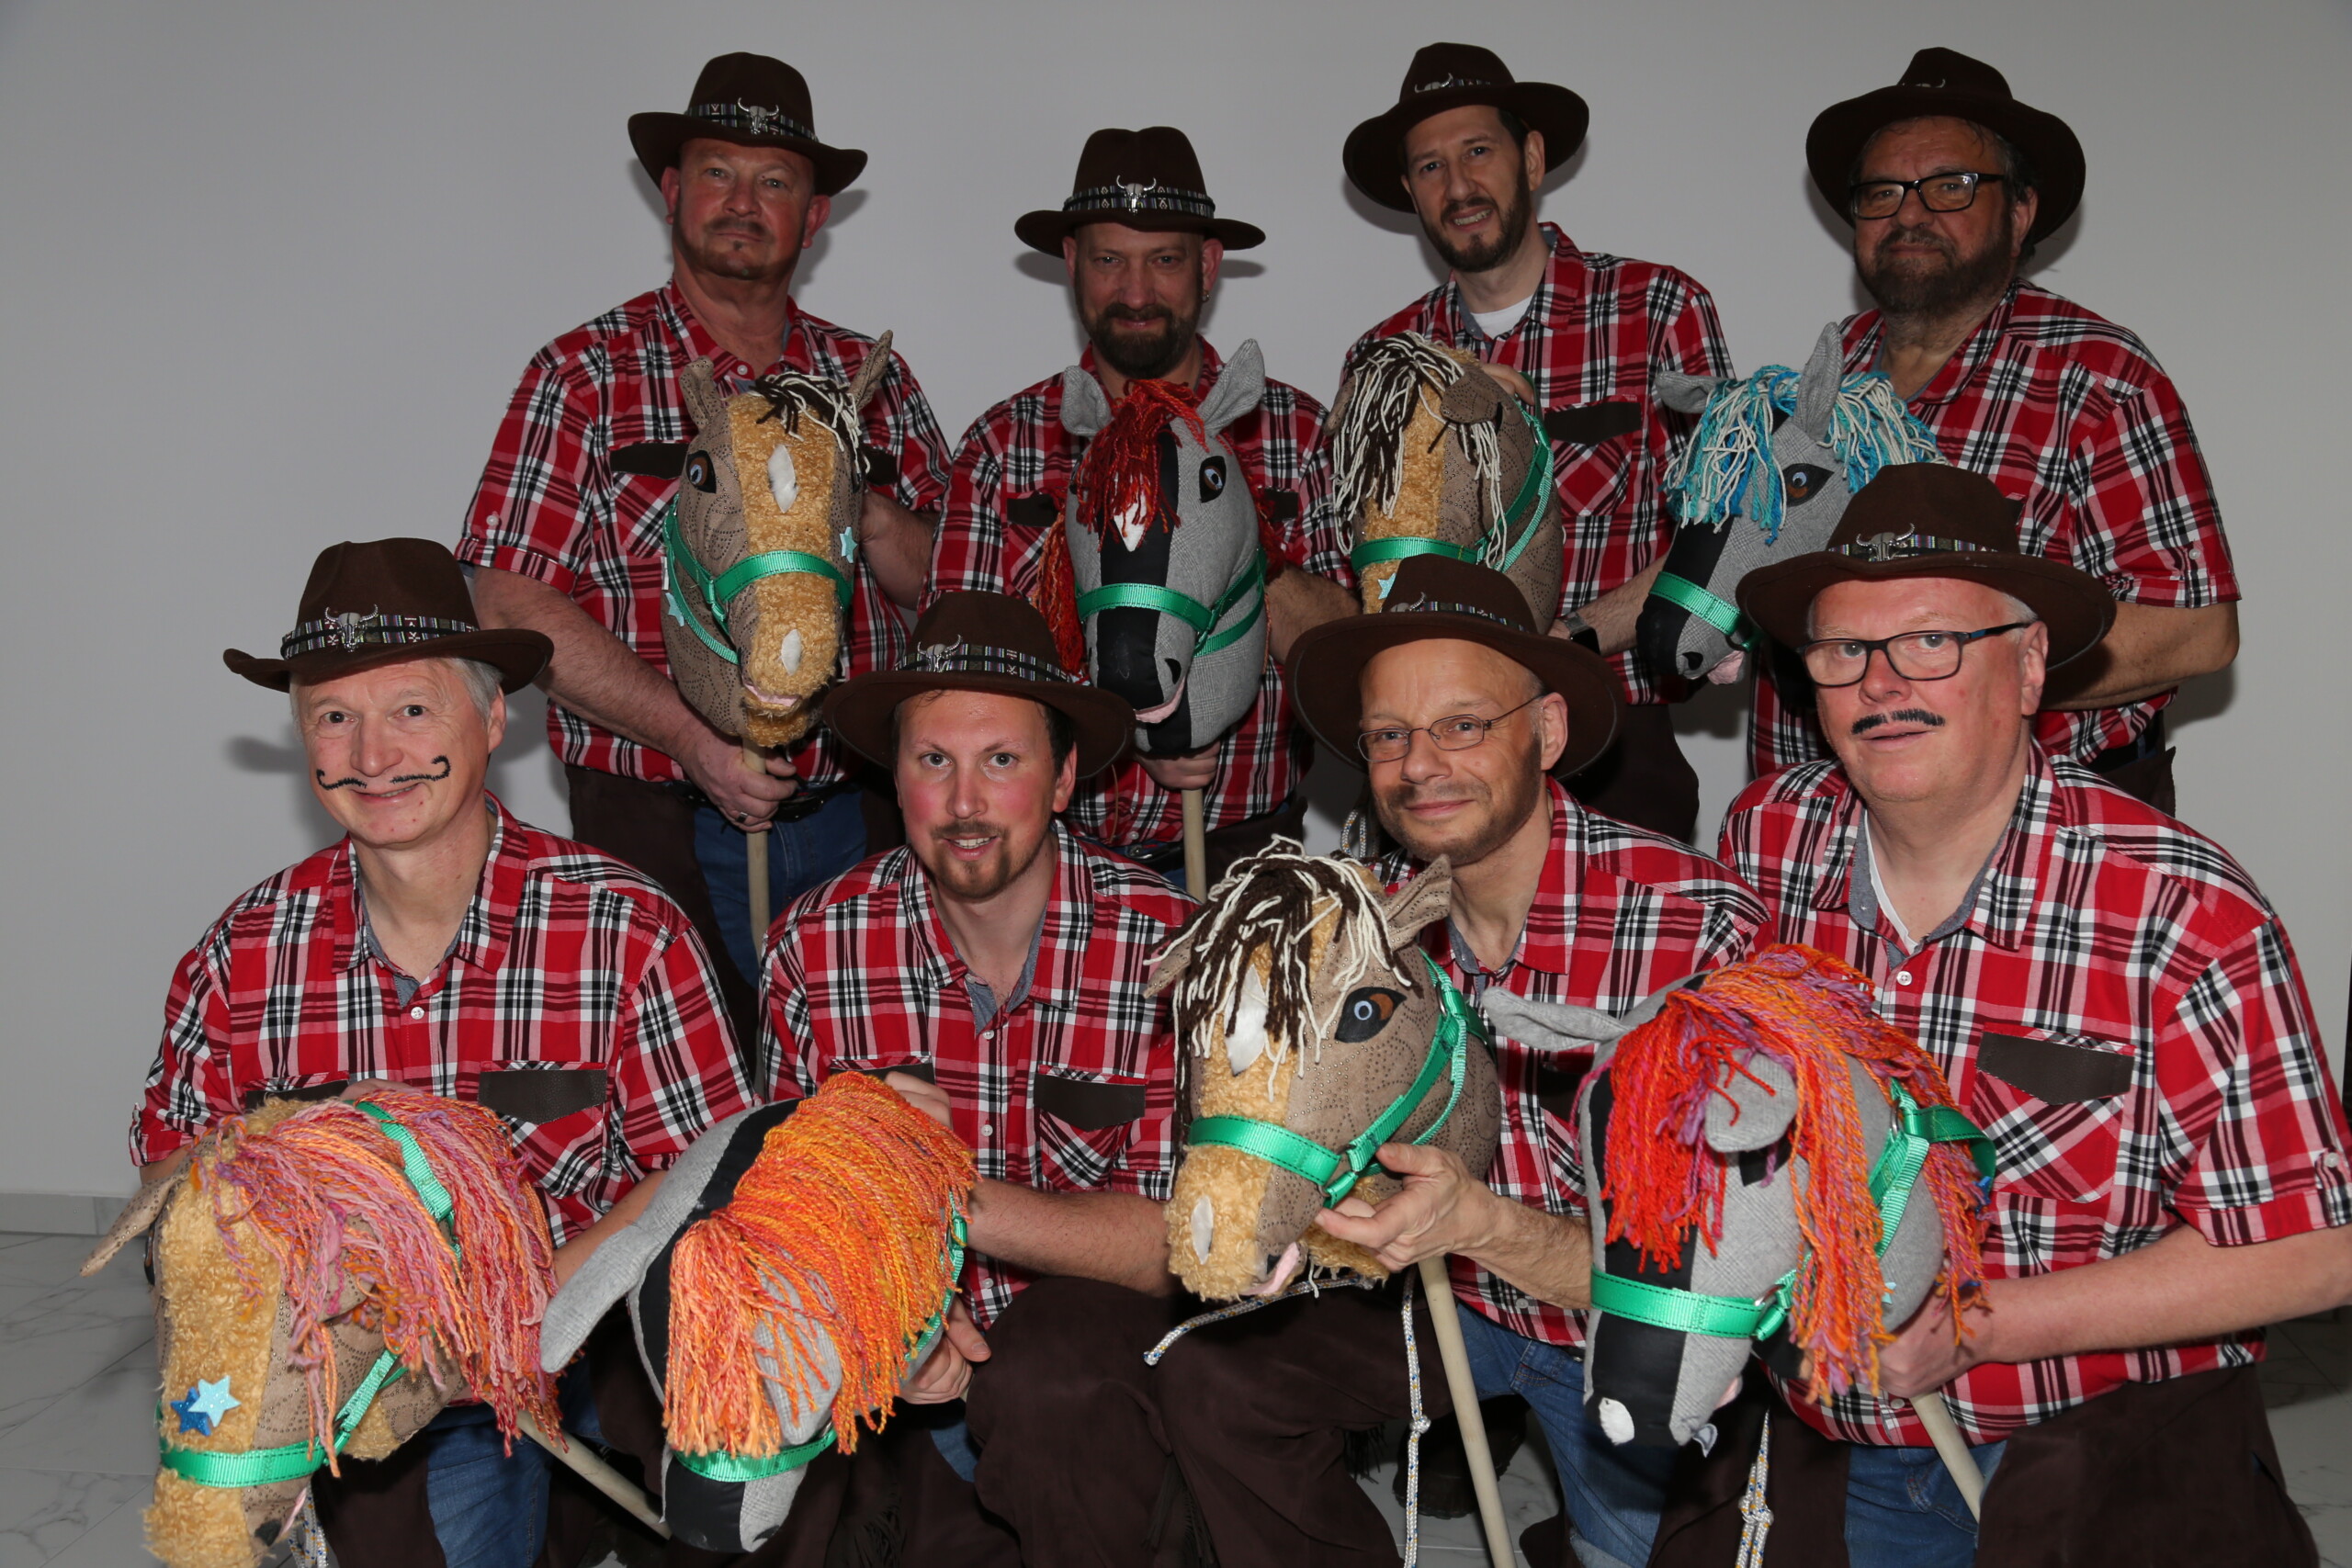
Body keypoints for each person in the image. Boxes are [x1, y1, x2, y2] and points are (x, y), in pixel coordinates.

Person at [971, 557, 1766, 1568]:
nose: (1419, 765)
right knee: (1217, 1377)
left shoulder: (1696, 932)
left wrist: (1486, 1225)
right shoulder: (1354, 921)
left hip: (1625, 1323)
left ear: (1548, 730)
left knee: (1645, 1548)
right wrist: (1293, 1211)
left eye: (1462, 725)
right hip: (1442, 1300)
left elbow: (1726, 1271)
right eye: (1388, 735)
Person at [1651, 464, 2352, 1567]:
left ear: (2027, 667)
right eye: (1843, 651)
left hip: (2086, 1434)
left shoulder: (2181, 911)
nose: (1882, 684)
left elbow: (2315, 1251)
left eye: (1931, 641)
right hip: (1823, 1426)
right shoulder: (1767, 838)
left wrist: (1981, 1325)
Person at [130, 539, 752, 1568]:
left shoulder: (627, 928)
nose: (373, 755)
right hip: (384, 1375)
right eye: (334, 716)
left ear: (493, 717)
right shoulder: (243, 952)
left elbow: (712, 1170)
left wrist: (523, 1307)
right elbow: (169, 1184)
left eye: (412, 709)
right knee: (392, 1527)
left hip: (611, 1339)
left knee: (737, 1489)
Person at [458, 52, 954, 1033]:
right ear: (672, 192)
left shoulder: (870, 379)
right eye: (718, 173)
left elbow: (949, 581)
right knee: (691, 1094)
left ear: (814, 215)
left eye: (775, 181)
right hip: (658, 817)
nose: (742, 202)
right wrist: (692, 738)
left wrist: (858, 506)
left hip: (862, 810)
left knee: (871, 1086)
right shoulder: (584, 374)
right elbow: (508, 597)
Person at [755, 592, 1193, 1563]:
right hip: (888, 1368)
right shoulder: (813, 950)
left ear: (1063, 777)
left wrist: (930, 1188)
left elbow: (1179, 1247)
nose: (963, 804)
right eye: (933, 761)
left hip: (1096, 1374)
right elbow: (778, 1220)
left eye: (1001, 760)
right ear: (895, 777)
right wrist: (900, 1318)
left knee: (1053, 1385)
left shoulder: (1173, 949)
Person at [1751, 48, 2240, 813]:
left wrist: (1963, 675)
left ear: (2020, 213)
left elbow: (2199, 630)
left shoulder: (2097, 377)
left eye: (1950, 186)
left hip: (2039, 822)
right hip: (1815, 815)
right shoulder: (1818, 376)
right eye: (1881, 191)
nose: (1909, 213)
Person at [1329, 43, 1735, 842]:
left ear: (1534, 158)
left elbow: (1718, 533)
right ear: (1410, 189)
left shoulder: (1658, 310)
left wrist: (1571, 641)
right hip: (1436, 757)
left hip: (1614, 746)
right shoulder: (1381, 361)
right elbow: (1349, 564)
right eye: (1431, 166)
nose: (1458, 186)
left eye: (1478, 151)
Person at [928, 125, 1354, 880]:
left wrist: (1235, 541)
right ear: (1071, 263)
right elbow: (956, 675)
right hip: (1054, 868)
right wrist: (1117, 734)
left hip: (1245, 858)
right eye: (1108, 260)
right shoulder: (1003, 444)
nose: (1134, 292)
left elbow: (1349, 665)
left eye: (1164, 260)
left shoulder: (1297, 433)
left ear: (1208, 266)